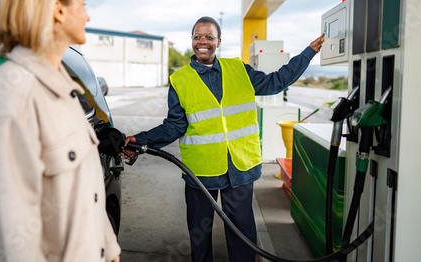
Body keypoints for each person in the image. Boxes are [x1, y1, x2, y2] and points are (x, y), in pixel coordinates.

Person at [124, 16, 324, 262]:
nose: (203, 42)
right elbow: (175, 125)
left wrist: (307, 54)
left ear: (219, 41)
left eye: (209, 36)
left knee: (242, 233)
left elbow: (276, 82)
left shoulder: (238, 69)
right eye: (197, 36)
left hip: (239, 168)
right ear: (192, 41)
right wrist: (141, 140)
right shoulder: (180, 80)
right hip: (201, 171)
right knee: (199, 234)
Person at [0, 0, 120, 262]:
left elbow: (85, 190)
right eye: (82, 4)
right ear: (58, 10)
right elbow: (12, 245)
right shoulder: (12, 101)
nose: (87, 16)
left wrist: (108, 249)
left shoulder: (60, 89)